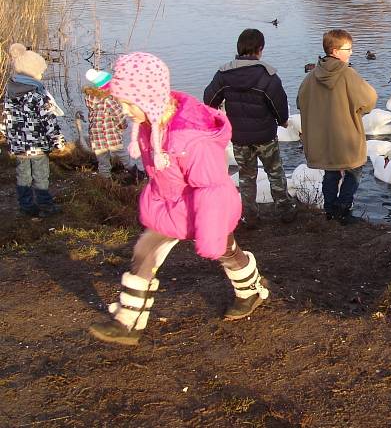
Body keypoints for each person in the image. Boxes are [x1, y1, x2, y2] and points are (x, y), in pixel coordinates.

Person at [89, 52, 270, 346]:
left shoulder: (190, 139)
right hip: (170, 208)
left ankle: (251, 290)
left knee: (225, 250)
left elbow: (212, 187)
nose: (124, 111)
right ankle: (127, 322)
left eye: (127, 103)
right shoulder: (152, 120)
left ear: (146, 99)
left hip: (205, 210)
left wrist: (209, 231)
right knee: (144, 253)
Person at [204, 29, 293, 226]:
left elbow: (209, 100)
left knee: (246, 176)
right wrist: (282, 121)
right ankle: (285, 210)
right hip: (265, 136)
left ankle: (250, 215)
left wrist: (219, 117)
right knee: (275, 172)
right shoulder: (268, 75)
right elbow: (278, 103)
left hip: (240, 137)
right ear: (260, 49)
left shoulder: (223, 74)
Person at [296, 29, 377, 224]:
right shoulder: (348, 74)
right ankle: (343, 209)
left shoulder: (310, 77)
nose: (351, 52)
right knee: (354, 170)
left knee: (330, 173)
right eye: (348, 49)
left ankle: (330, 211)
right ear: (334, 50)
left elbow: (300, 102)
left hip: (322, 139)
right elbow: (370, 100)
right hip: (346, 136)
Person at [3, 43, 64, 217]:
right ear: (32, 74)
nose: (41, 75)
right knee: (41, 177)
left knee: (23, 176)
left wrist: (10, 139)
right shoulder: (38, 95)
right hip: (37, 145)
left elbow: (6, 119)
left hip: (19, 146)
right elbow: (49, 121)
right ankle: (45, 206)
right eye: (40, 72)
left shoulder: (10, 93)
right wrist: (58, 141)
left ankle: (26, 206)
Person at [83, 68, 136, 179]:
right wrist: (123, 125)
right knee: (124, 156)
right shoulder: (108, 100)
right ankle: (135, 173)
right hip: (111, 135)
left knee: (103, 162)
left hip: (96, 137)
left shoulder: (90, 98)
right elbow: (119, 115)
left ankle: (105, 181)